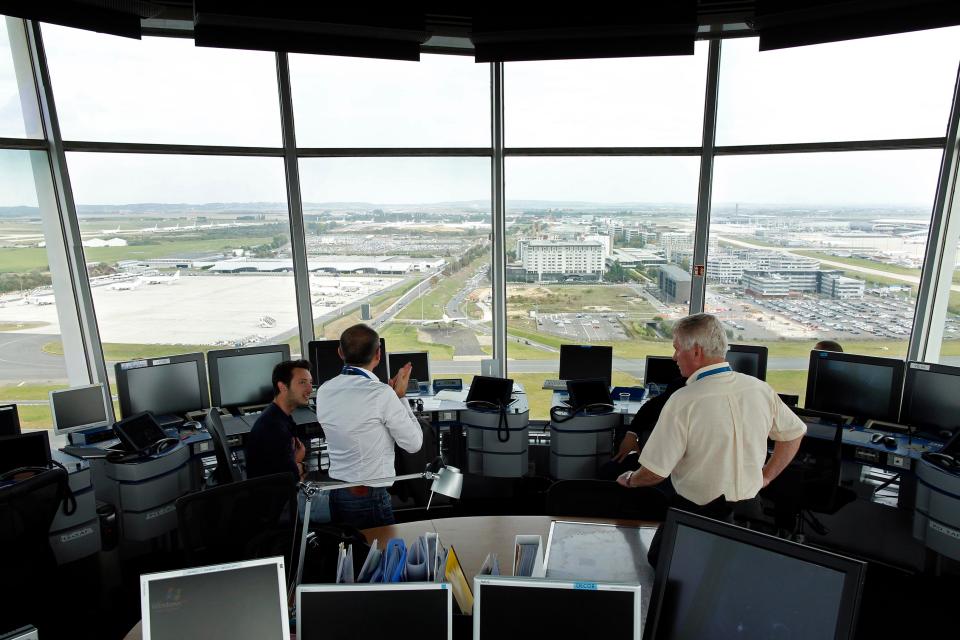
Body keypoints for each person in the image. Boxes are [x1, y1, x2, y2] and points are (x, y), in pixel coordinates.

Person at [617, 313, 806, 568]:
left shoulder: (685, 400)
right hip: (751, 511)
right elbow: (794, 433)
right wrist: (767, 477)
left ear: (695, 351)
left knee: (664, 566)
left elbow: (654, 473)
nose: (674, 358)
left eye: (676, 349)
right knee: (737, 575)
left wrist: (630, 479)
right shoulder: (759, 389)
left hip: (698, 513)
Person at [315, 323, 424, 529]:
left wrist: (391, 396)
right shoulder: (381, 394)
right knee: (379, 558)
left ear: (340, 352)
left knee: (351, 555)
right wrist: (399, 397)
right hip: (368, 496)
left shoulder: (324, 391)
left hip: (337, 492)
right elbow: (414, 444)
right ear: (378, 355)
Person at [598, 375, 686, 481]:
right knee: (607, 470)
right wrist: (631, 434)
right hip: (654, 458)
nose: (675, 358)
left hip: (676, 466)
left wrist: (632, 481)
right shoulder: (680, 383)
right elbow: (651, 406)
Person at [245, 359, 313, 481]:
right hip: (278, 498)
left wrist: (296, 464)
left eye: (310, 382)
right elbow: (291, 480)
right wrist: (301, 464)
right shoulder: (274, 428)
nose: (310, 389)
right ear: (282, 387)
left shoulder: (278, 416)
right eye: (302, 383)